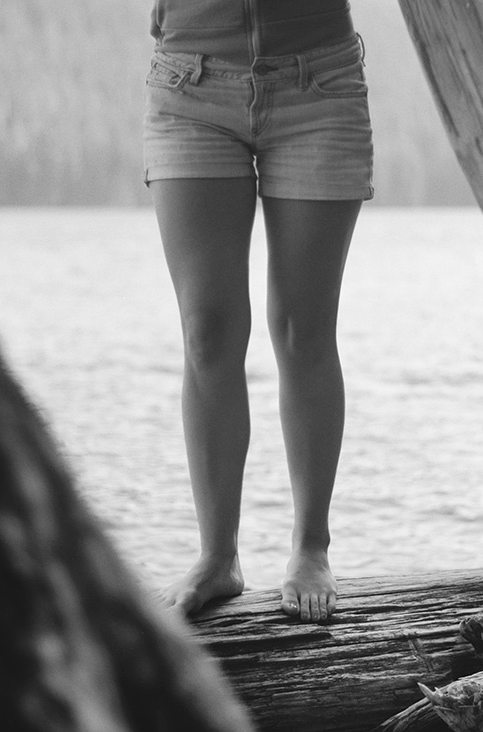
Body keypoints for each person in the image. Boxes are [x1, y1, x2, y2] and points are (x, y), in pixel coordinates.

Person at [143, 1, 373, 623]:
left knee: (302, 329)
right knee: (206, 333)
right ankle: (218, 557)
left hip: (317, 84)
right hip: (190, 83)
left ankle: (310, 547)